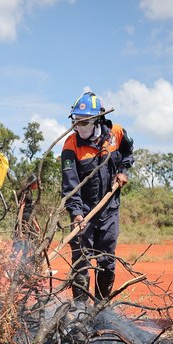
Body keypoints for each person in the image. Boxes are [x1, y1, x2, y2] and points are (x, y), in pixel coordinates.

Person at [61, 91, 134, 302]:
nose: (80, 125)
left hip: (109, 209)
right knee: (81, 259)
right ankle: (80, 309)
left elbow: (128, 152)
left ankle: (102, 307)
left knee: (106, 260)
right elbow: (70, 186)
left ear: (98, 119)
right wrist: (76, 214)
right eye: (77, 121)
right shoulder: (70, 145)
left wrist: (123, 170)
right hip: (84, 212)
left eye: (85, 121)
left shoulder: (116, 133)